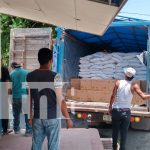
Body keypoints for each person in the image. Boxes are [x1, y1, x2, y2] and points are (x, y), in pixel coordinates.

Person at [27, 48, 73, 150]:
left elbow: (30, 98)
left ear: (39, 60)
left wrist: (30, 115)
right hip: (52, 117)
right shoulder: (55, 76)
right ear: (50, 61)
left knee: (36, 146)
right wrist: (68, 119)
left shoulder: (30, 76)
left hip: (37, 117)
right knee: (53, 146)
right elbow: (60, 99)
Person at [109, 67, 150, 150]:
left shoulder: (118, 82)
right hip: (126, 112)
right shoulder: (134, 85)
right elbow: (143, 97)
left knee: (115, 132)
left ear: (125, 74)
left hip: (116, 111)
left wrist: (110, 107)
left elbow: (113, 96)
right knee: (124, 134)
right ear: (133, 76)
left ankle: (114, 147)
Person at [10, 62, 32, 135]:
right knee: (27, 114)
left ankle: (16, 129)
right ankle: (28, 130)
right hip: (24, 95)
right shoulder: (26, 73)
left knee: (16, 114)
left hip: (15, 96)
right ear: (21, 67)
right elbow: (28, 86)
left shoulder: (11, 74)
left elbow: (9, 88)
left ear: (13, 67)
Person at [1, 66, 12, 135]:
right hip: (3, 96)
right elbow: (8, 85)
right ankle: (5, 130)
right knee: (4, 112)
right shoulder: (4, 70)